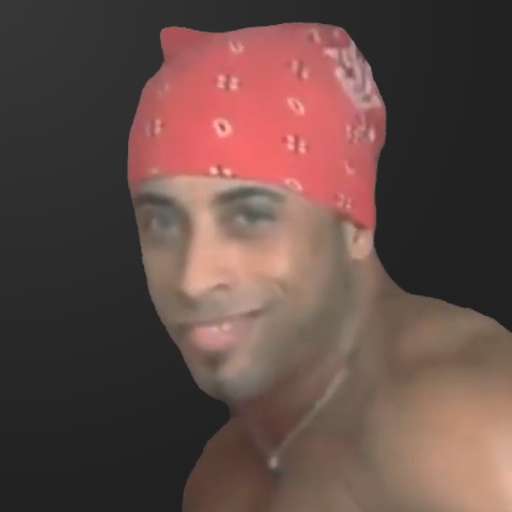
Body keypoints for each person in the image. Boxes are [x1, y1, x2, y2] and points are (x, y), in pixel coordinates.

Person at [127, 23, 512, 511]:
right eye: (161, 222)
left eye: (249, 217)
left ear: (354, 226)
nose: (194, 280)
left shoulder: (471, 426)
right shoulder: (222, 477)